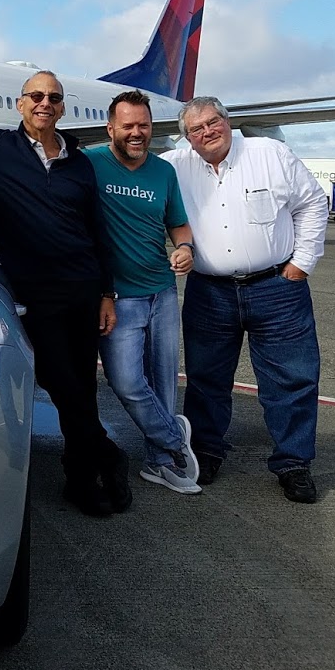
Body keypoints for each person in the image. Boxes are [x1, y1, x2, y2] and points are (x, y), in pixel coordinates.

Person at [0, 71, 133, 517]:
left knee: (82, 386)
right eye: (36, 95)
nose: (44, 103)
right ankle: (108, 454)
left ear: (62, 107)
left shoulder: (78, 162)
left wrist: (107, 292)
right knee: (59, 381)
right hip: (34, 293)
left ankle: (80, 479)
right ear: (21, 103)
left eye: (53, 97)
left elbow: (97, 229)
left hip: (83, 288)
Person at [161, 97, 328, 503]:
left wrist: (301, 264)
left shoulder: (270, 154)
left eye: (213, 122)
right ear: (187, 138)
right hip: (209, 291)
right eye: (196, 129)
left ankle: (293, 463)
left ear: (227, 120)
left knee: (292, 379)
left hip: (277, 288)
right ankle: (206, 452)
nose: (207, 132)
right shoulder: (174, 166)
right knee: (205, 379)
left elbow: (312, 203)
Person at [87, 90, 201, 495]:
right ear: (110, 128)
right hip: (117, 299)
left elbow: (178, 224)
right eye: (128, 126)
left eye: (144, 126)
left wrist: (185, 248)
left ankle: (160, 463)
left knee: (163, 382)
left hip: (162, 293)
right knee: (126, 383)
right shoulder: (90, 164)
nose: (137, 133)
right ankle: (174, 438)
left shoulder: (163, 171)